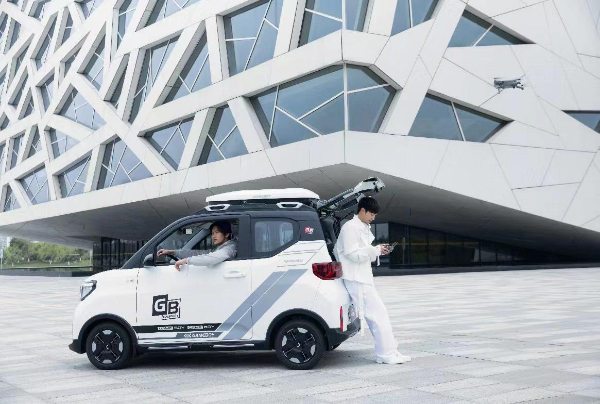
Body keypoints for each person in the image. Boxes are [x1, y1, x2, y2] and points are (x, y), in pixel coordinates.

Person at [333, 197, 411, 365]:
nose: (373, 218)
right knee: (377, 315)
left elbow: (362, 252)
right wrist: (375, 250)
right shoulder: (350, 227)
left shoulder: (359, 226)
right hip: (356, 278)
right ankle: (385, 354)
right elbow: (352, 253)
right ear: (362, 210)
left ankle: (390, 351)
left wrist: (378, 251)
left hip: (362, 278)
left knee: (380, 313)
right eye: (372, 214)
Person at [157, 221, 237, 270]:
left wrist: (186, 261)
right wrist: (173, 252)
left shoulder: (229, 248)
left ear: (226, 234)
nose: (213, 236)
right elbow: (200, 253)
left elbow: (210, 258)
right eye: (212, 233)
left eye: (217, 232)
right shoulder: (222, 247)